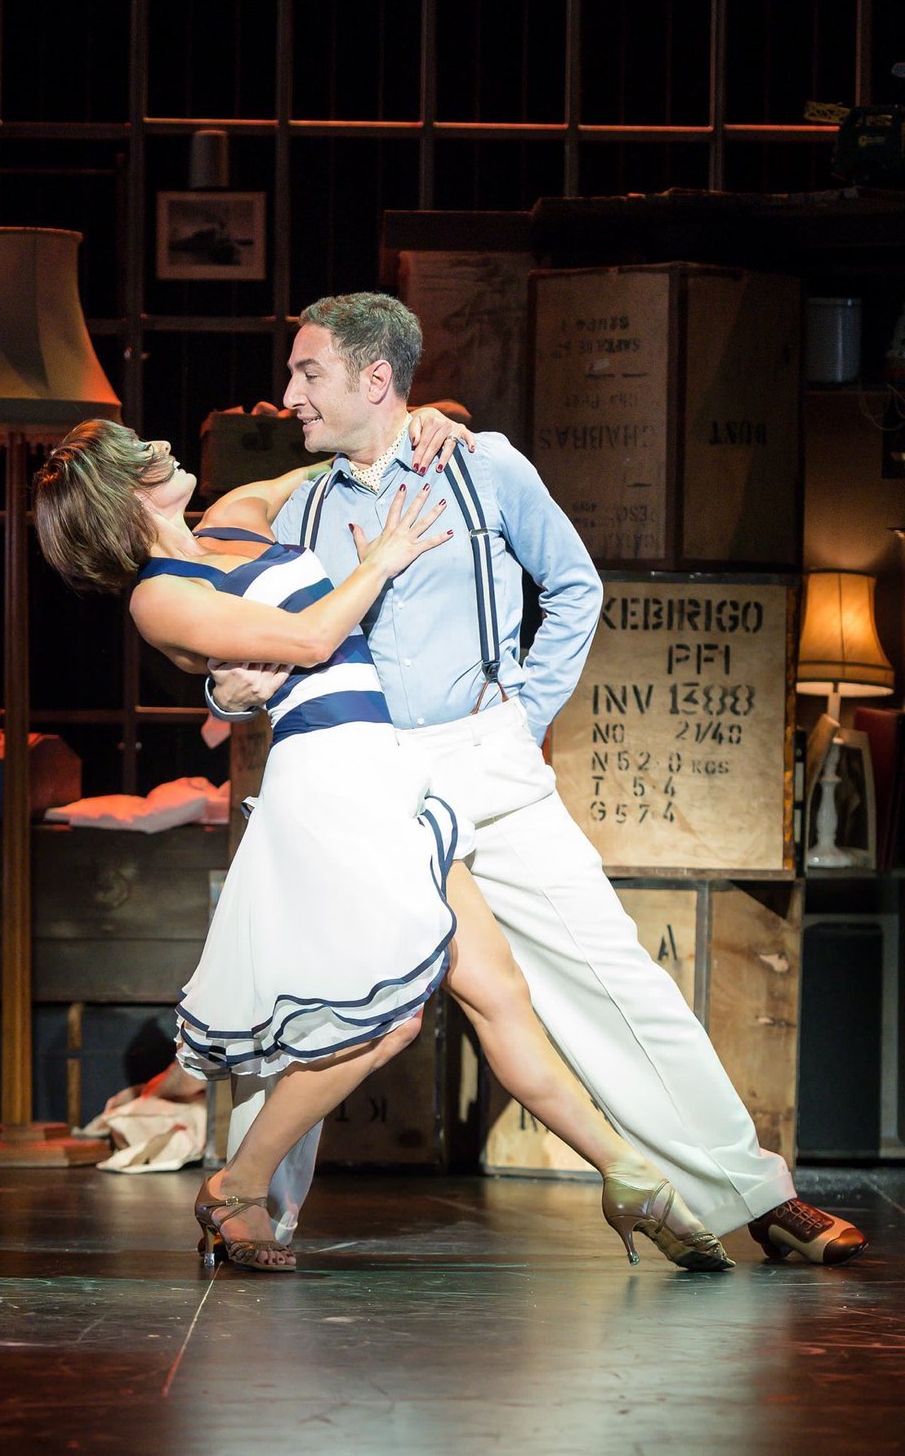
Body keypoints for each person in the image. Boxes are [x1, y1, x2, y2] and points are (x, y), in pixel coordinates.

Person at [205, 290, 867, 1269]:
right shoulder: (301, 506)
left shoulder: (485, 467)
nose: (290, 393)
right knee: (312, 992)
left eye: (309, 373)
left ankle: (756, 1194)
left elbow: (573, 585)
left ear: (375, 378)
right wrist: (233, 685)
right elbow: (267, 637)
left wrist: (524, 714)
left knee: (612, 978)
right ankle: (248, 1206)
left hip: (486, 760)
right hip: (365, 776)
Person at [32, 417, 734, 1277]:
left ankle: (628, 1176)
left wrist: (422, 418)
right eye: (144, 456)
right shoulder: (158, 596)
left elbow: (333, 461)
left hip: (391, 772)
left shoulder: (233, 517)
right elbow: (308, 640)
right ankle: (237, 1185)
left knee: (499, 991)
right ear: (120, 495)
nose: (165, 451)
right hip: (328, 786)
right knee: (391, 1019)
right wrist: (381, 560)